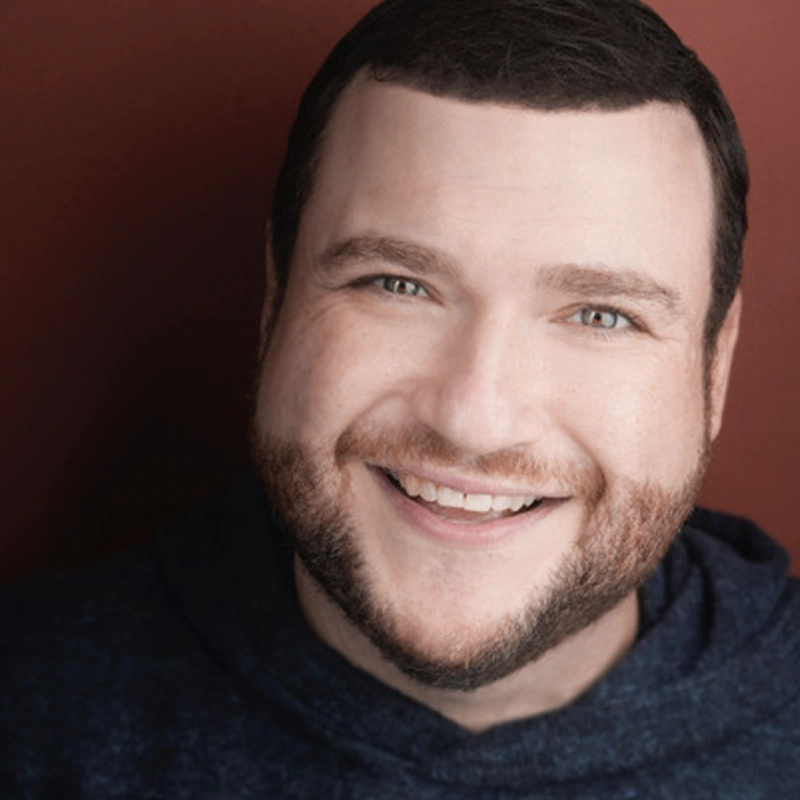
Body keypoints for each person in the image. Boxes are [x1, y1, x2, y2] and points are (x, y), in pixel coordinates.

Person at [2, 0, 799, 796]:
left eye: (600, 315)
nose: (474, 419)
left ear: (713, 366)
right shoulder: (29, 709)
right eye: (397, 284)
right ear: (273, 303)